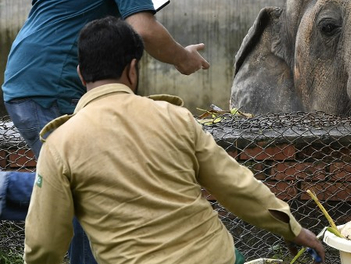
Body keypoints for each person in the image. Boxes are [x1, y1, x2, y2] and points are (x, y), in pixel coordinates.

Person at [1, 0, 208, 261]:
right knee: (89, 190)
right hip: (51, 85)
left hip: (31, 78)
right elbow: (143, 29)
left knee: (87, 191)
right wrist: (182, 59)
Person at [24, 17, 325, 264]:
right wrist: (291, 228)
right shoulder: (175, 117)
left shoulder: (60, 143)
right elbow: (234, 184)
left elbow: (44, 245)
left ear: (80, 75)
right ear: (132, 69)